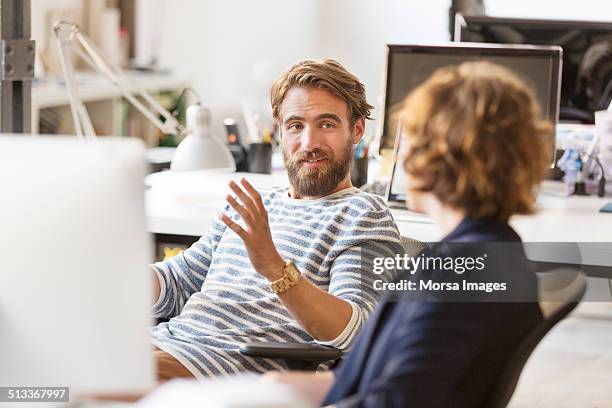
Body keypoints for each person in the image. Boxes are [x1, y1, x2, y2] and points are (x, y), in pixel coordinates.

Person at [266, 61, 553, 407]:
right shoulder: (487, 253)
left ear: (441, 158)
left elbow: (398, 400)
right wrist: (264, 391)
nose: (400, 154)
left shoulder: (461, 275)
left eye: (411, 139)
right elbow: (361, 380)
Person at [150, 59, 403, 380]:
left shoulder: (363, 215)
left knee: (90, 380)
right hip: (166, 344)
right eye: (296, 125)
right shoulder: (254, 202)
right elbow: (177, 282)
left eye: (326, 124)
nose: (309, 143)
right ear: (280, 132)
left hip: (222, 368)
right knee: (74, 356)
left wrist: (273, 267)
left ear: (356, 131)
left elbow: (355, 332)